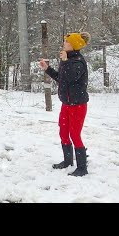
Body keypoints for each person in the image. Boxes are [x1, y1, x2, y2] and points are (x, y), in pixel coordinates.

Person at [39, 32, 90, 177]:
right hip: (66, 103)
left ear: (73, 46)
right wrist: (47, 68)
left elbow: (72, 77)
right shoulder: (66, 60)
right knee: (63, 132)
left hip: (78, 105)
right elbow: (62, 78)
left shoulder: (79, 61)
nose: (64, 44)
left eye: (67, 42)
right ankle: (67, 161)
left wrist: (66, 61)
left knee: (75, 134)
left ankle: (82, 168)